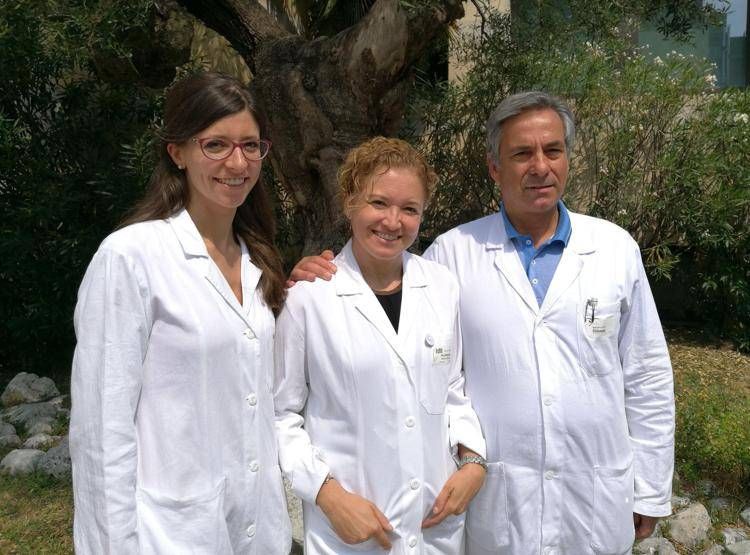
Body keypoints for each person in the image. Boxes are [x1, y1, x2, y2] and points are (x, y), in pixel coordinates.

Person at [290, 92, 675, 554]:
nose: (540, 166)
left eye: (553, 150)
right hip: (500, 504)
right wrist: (312, 272)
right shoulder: (453, 255)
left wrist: (650, 488)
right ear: (495, 168)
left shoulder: (615, 249)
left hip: (593, 497)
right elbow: (407, 325)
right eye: (521, 154)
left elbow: (647, 374)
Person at [69, 72, 292, 554]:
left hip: (257, 530)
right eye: (216, 145)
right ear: (177, 152)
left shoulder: (259, 262)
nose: (238, 162)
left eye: (251, 146)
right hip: (169, 535)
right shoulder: (131, 257)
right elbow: (101, 434)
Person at [274, 137, 487, 554]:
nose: (393, 221)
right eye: (378, 203)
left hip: (433, 522)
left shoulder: (441, 287)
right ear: (349, 202)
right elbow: (280, 415)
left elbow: (452, 390)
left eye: (410, 209)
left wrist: (473, 463)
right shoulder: (309, 298)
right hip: (350, 531)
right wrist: (328, 496)